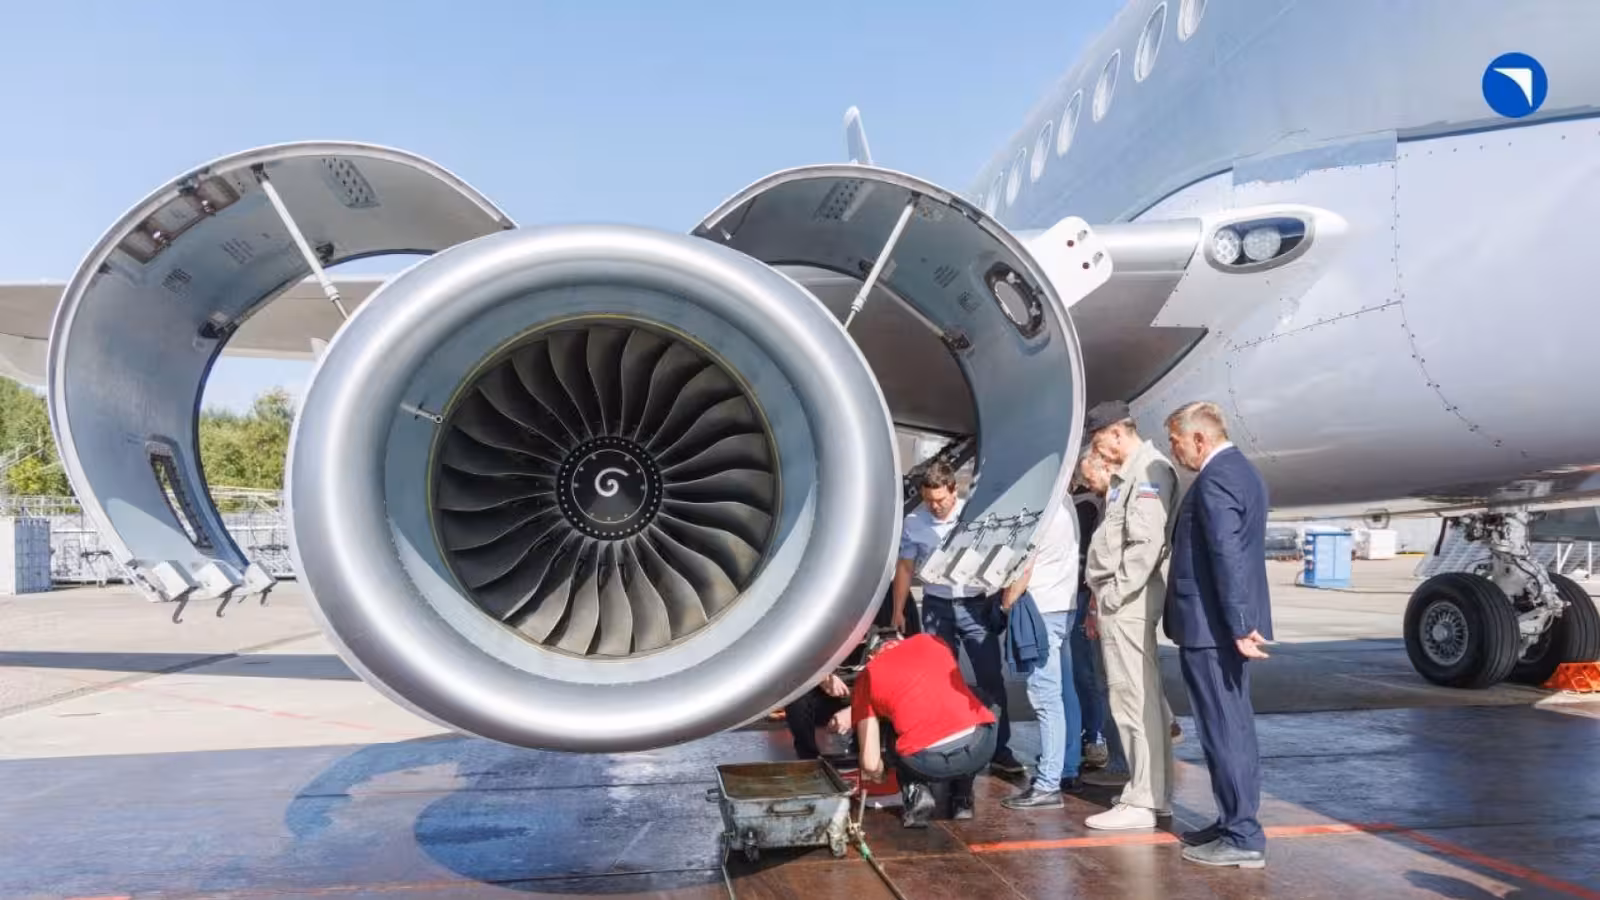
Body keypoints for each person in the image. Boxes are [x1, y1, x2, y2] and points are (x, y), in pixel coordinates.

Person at [1164, 401, 1273, 869]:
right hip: (1218, 626)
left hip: (1211, 628)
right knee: (1231, 727)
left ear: (1198, 438)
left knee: (1224, 730)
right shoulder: (1241, 471)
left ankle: (1243, 835)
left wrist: (1239, 624)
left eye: (1175, 443)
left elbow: (1227, 555)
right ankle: (1233, 820)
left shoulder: (1216, 479)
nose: (1174, 452)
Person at [1081, 401, 1180, 831]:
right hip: (1124, 599)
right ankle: (1153, 793)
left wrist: (1115, 595)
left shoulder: (1147, 471)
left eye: (1100, 442)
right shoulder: (1131, 472)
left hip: (1128, 602)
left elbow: (1145, 544)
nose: (1099, 452)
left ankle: (1142, 800)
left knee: (1132, 701)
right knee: (1140, 700)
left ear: (1118, 433)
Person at [892, 461, 1025, 775]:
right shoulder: (914, 522)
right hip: (937, 606)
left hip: (975, 605)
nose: (935, 506)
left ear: (954, 490)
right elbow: (905, 567)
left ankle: (1000, 748)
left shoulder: (975, 515)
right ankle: (949, 746)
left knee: (990, 677)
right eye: (929, 501)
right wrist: (898, 609)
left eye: (940, 499)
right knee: (940, 679)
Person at [853, 633, 999, 826]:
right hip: (979, 750)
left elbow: (870, 764)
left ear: (871, 656)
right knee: (977, 700)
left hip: (927, 763)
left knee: (890, 727)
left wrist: (882, 774)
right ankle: (962, 798)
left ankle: (916, 791)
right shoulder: (930, 640)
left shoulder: (868, 675)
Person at [999, 495, 1085, 810]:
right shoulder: (1066, 503)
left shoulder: (1042, 509)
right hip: (1063, 605)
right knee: (1064, 692)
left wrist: (1006, 602)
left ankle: (1048, 783)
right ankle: (1067, 766)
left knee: (1045, 698)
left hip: (1041, 610)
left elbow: (1024, 568)